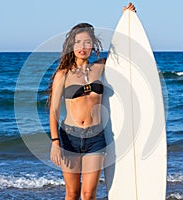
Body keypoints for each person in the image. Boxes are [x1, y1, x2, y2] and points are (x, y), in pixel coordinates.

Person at [48, 3, 136, 200]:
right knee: (72, 194)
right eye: (78, 42)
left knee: (89, 194)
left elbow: (125, 51)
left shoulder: (101, 67)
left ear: (93, 45)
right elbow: (53, 111)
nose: (83, 47)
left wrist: (127, 20)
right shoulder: (63, 74)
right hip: (69, 137)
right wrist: (55, 142)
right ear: (72, 45)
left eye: (87, 42)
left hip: (96, 137)